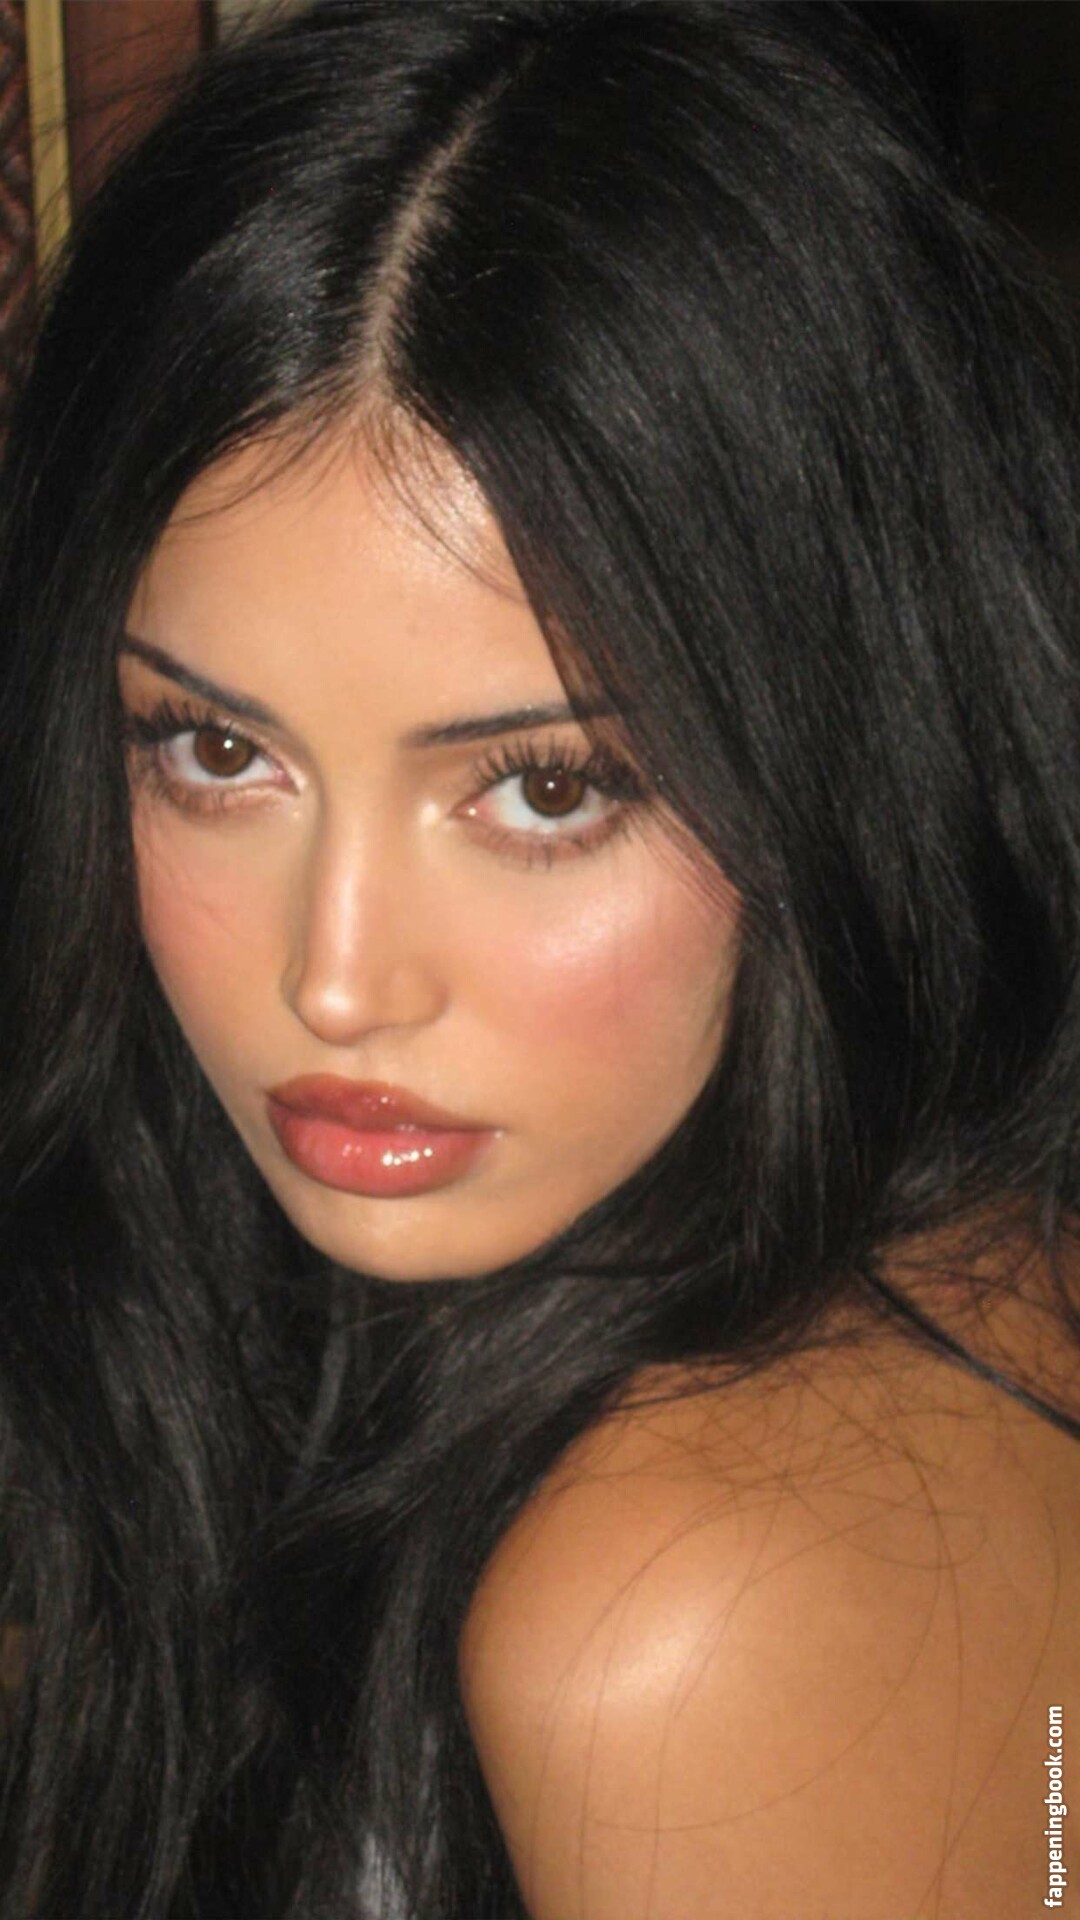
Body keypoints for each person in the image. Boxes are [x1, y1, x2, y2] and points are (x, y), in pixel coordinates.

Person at [1, 1, 1078, 1913]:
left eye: (545, 788)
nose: (338, 984)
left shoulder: (690, 1612)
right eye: (217, 751)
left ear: (850, 744)